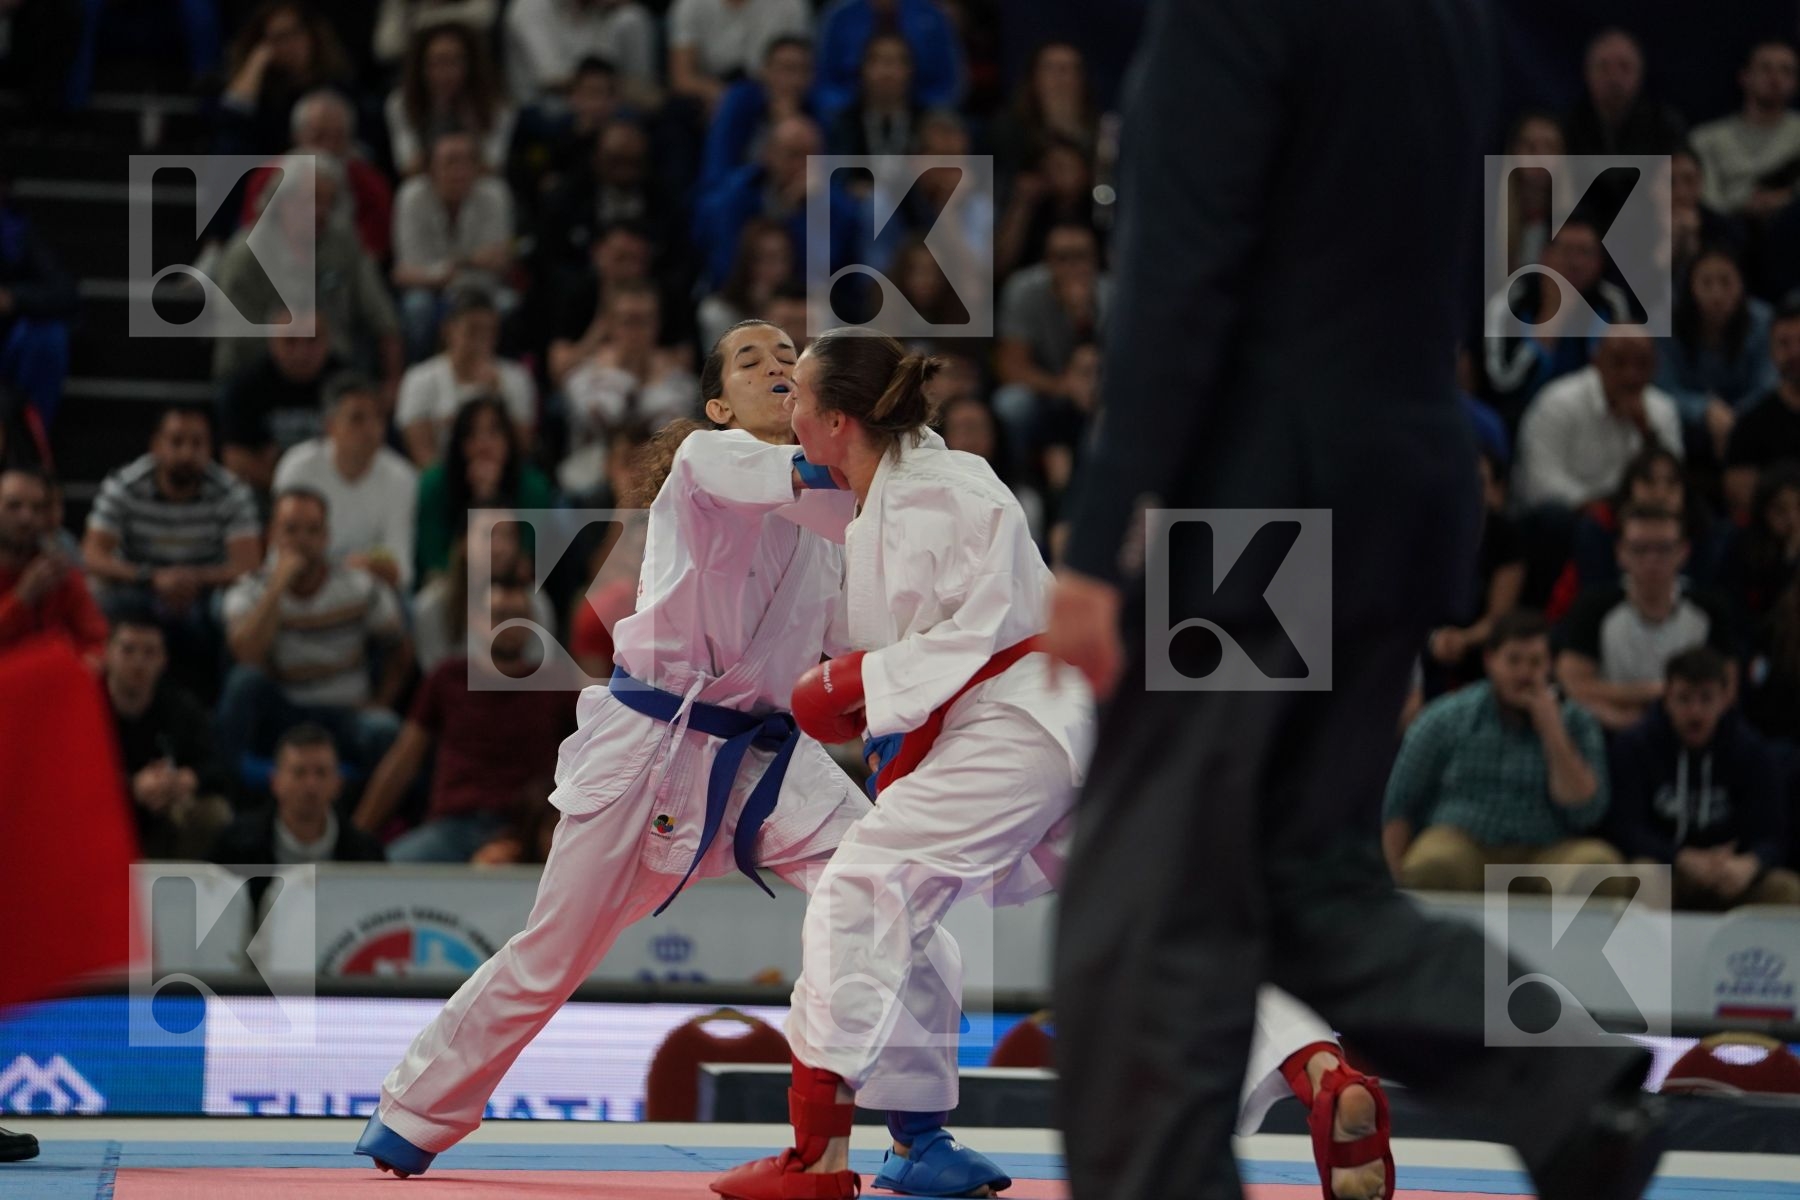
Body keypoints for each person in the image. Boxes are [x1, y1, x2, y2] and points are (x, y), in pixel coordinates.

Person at [1041, 2, 1662, 1199]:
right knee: (1306, 882)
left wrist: (1103, 529)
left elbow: (1178, 274)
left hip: (1261, 508)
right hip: (1409, 479)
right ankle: (1566, 1088)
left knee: (1149, 911)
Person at [717, 330, 1391, 1200]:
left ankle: (817, 1155)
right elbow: (797, 501)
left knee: (863, 886)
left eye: (797, 395)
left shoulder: (945, 490)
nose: (788, 406)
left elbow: (978, 628)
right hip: (1053, 731)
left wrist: (863, 681)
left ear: (837, 417)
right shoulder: (888, 487)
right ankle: (1321, 1074)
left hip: (1014, 726)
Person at [351, 320, 869, 1178]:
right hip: (651, 746)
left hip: (764, 758)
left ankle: (911, 1127)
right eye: (752, 361)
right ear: (716, 402)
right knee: (552, 955)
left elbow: (854, 638)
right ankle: (415, 1109)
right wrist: (870, 438)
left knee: (875, 879)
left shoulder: (834, 515)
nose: (776, 367)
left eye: (791, 359)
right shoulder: (709, 462)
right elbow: (794, 470)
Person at [1383, 611, 1620, 891]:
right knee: (1433, 865)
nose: (1524, 673)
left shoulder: (1578, 723)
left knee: (1598, 869)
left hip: (1547, 850)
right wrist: (1391, 883)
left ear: (1550, 667)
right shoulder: (1445, 718)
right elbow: (1399, 802)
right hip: (1463, 843)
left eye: (1535, 662)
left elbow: (1587, 810)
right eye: (1513, 660)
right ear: (1490, 661)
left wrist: (1553, 732)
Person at [354, 576, 578, 860]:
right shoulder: (447, 678)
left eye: (520, 617)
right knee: (390, 871)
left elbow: (586, 758)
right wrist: (356, 835)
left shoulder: (557, 681)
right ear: (475, 619)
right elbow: (402, 761)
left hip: (524, 833)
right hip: (452, 826)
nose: (511, 626)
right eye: (500, 616)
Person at [217, 489, 412, 782]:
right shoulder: (249, 591)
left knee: (383, 728)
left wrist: (382, 701)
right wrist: (278, 586)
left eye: (313, 530)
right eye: (291, 529)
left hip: (346, 712)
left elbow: (401, 650)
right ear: (272, 535)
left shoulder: (359, 587)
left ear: (326, 537)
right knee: (244, 682)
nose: (302, 540)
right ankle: (225, 791)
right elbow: (247, 655)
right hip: (286, 711)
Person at [82, 407, 262, 695]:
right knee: (98, 596)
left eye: (197, 443)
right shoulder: (125, 485)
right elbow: (92, 554)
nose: (187, 453)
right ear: (156, 445)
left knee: (239, 610)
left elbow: (248, 563)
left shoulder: (231, 492)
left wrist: (191, 580)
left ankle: (225, 705)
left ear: (210, 447)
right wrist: (151, 577)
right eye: (176, 442)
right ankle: (100, 698)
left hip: (206, 590)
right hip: (141, 586)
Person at [1608, 646, 1800, 909]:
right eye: (1684, 699)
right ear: (1666, 699)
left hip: (1729, 874)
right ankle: (1648, 951)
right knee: (1645, 874)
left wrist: (1750, 863)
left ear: (1725, 699)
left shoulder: (1752, 751)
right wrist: (1682, 857)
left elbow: (1775, 835)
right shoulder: (1635, 746)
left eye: (1706, 699)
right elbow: (1624, 828)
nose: (1695, 713)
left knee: (1785, 887)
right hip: (1668, 870)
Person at [211, 153, 403, 394]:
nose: (319, 211)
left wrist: (393, 381)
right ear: (280, 201)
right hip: (258, 372)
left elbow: (382, 316)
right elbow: (233, 330)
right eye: (310, 200)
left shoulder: (344, 245)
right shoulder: (245, 254)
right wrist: (295, 346)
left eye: (327, 202)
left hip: (333, 368)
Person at [1556, 504, 1740, 733]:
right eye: (1640, 549)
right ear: (1620, 552)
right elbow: (1573, 685)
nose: (1652, 560)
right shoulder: (1594, 605)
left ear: (1683, 552)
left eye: (1663, 548)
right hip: (1614, 731)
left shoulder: (1710, 607)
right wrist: (1648, 699)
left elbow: (1727, 688)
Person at [105, 610, 234, 859]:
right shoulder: (88, 707)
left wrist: (186, 779)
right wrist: (133, 786)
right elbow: (67, 774)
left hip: (163, 822)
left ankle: (178, 891)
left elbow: (220, 767)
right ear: (107, 653)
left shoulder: (180, 706)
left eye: (149, 652)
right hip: (102, 816)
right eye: (128, 650)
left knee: (213, 812)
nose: (139, 662)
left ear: (163, 660)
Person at [274, 374, 420, 591]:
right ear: (330, 425)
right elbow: (279, 553)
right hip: (302, 585)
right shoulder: (297, 467)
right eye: (357, 419)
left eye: (378, 418)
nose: (371, 429)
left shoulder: (402, 478)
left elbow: (400, 570)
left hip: (370, 592)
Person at [1483, 218, 1636, 426]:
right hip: (1523, 419)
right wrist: (1551, 318)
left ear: (1599, 262)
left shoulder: (1611, 303)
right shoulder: (1513, 301)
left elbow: (1625, 374)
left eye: (1585, 252)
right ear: (1544, 256)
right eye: (1566, 251)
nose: (1575, 263)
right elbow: (1503, 387)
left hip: (1596, 420)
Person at [1513, 335, 1682, 513]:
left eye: (1641, 364)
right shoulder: (1557, 402)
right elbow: (1539, 485)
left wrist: (1646, 430)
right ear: (1597, 361)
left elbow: (1674, 481)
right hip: (1571, 517)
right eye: (1619, 362)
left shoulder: (1662, 409)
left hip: (1631, 518)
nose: (1630, 374)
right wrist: (1598, 509)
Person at [993, 222, 1109, 479]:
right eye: (1062, 257)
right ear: (1048, 261)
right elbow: (1010, 367)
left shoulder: (1111, 294)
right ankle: (1016, 482)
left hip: (1098, 392)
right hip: (1043, 391)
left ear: (1095, 259)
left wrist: (1083, 317)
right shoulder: (1024, 289)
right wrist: (1063, 386)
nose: (1072, 266)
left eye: (1080, 256)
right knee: (1012, 403)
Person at [559, 282, 697, 497]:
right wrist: (620, 376)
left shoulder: (679, 382)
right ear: (610, 325)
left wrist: (654, 382)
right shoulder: (583, 377)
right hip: (592, 486)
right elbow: (602, 421)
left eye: (644, 321)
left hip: (661, 482)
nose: (637, 332)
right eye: (628, 321)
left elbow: (670, 437)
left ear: (657, 324)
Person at [391, 131, 516, 363]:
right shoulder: (411, 197)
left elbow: (499, 261)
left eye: (467, 161)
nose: (460, 171)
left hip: (480, 288)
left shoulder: (495, 194)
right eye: (450, 162)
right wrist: (469, 261)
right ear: (431, 169)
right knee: (417, 308)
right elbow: (406, 272)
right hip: (430, 294)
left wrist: (446, 268)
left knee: (509, 305)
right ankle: (417, 374)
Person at [414, 395, 558, 583]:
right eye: (472, 434)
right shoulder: (434, 485)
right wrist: (480, 500)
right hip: (451, 586)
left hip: (512, 585)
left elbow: (524, 563)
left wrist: (490, 497)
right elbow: (434, 562)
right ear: (459, 443)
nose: (483, 444)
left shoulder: (533, 488)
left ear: (509, 440)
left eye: (494, 432)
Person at [241, 89, 395, 261]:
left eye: (337, 138)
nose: (327, 148)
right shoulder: (266, 178)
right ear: (297, 137)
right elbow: (253, 237)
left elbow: (375, 250)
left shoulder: (370, 182)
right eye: (318, 137)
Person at [1656, 247, 1777, 462]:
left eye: (1726, 282)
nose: (1717, 294)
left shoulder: (1763, 321)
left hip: (1750, 424)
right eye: (1706, 283)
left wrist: (1732, 417)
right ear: (1689, 287)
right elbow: (1663, 387)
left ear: (1742, 285)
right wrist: (1704, 410)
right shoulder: (1666, 323)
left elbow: (1767, 385)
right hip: (1685, 427)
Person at [395, 286, 536, 467]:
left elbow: (522, 449)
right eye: (473, 330)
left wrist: (499, 395)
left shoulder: (516, 378)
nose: (482, 340)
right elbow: (422, 454)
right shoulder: (419, 379)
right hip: (444, 481)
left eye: (490, 331)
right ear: (448, 330)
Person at [212, 723, 387, 865]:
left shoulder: (366, 854)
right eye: (299, 772)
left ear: (338, 784)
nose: (311, 784)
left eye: (321, 772)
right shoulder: (235, 847)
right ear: (275, 782)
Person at [218, 307, 343, 495]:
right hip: (266, 493)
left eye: (312, 340)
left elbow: (367, 447)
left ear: (328, 341)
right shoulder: (246, 387)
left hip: (338, 489)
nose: (302, 352)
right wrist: (292, 490)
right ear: (273, 342)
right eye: (290, 341)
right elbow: (236, 461)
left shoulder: (347, 384)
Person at [0, 466, 105, 665]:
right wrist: (21, 597)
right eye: (14, 506)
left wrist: (87, 663)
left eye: (37, 508)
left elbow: (96, 639)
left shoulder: (57, 571)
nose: (26, 518)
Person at [0, 173, 78, 433]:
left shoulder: (19, 233)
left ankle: (27, 447)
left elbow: (64, 292)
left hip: (8, 343)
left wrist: (12, 298)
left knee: (48, 337)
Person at [1689, 41, 1800, 219]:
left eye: (1786, 70)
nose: (1775, 78)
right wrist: (1745, 205)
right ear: (1744, 77)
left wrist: (1783, 201)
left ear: (1795, 82)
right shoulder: (1706, 138)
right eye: (1765, 68)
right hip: (1728, 233)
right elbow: (1707, 202)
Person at [386, 22, 514, 176]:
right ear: (421, 67)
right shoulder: (400, 102)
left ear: (470, 64)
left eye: (454, 62)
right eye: (437, 62)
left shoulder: (495, 103)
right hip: (429, 183)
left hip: (476, 183)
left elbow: (493, 165)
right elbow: (408, 167)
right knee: (411, 191)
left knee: (495, 191)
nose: (445, 73)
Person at [699, 36, 819, 193]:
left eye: (803, 70)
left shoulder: (818, 111)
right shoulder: (739, 102)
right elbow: (716, 174)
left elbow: (828, 180)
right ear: (764, 71)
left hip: (803, 203)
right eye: (786, 69)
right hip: (744, 200)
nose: (795, 81)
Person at [811, 0, 961, 121]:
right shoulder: (839, 16)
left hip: (920, 110)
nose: (887, 71)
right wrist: (849, 110)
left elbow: (950, 82)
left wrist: (926, 110)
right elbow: (823, 81)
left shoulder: (932, 16)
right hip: (851, 111)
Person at [1723, 301, 1800, 516]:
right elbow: (1743, 502)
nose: (1795, 352)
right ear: (1771, 352)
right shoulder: (1750, 424)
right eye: (1784, 343)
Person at [503, 0, 657, 106]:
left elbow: (598, 64)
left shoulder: (593, 8)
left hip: (601, 99)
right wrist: (624, 90)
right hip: (545, 107)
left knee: (631, 16)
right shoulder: (530, 7)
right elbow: (552, 79)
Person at [1561, 27, 1686, 158]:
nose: (1614, 78)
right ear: (1587, 74)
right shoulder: (1568, 127)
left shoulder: (1665, 126)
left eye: (1624, 67)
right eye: (1603, 67)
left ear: (1640, 74)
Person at [666, 0, 810, 113]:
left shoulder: (790, 5)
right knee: (680, 111)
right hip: (710, 91)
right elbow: (682, 78)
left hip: (769, 88)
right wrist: (724, 97)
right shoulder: (690, 5)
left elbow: (798, 65)